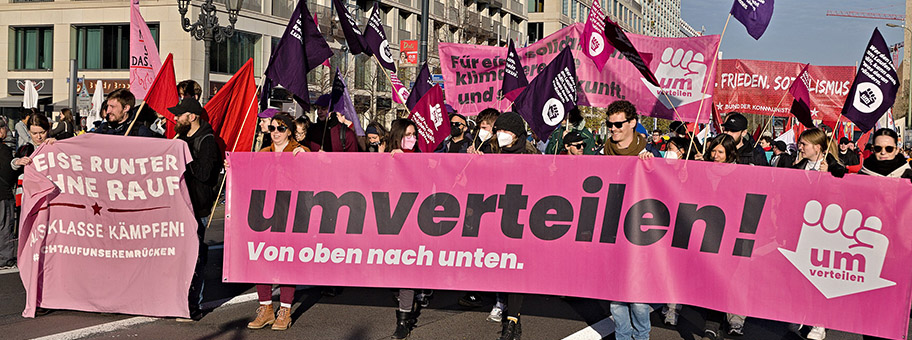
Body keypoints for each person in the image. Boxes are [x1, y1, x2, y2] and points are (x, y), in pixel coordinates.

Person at [247, 113, 307, 331]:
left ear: (289, 131)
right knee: (262, 259)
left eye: (281, 129)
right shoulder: (263, 153)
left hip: (290, 216)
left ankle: (285, 310)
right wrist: (234, 166)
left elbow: (319, 171)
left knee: (285, 262)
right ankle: (265, 308)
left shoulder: (299, 151)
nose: (276, 133)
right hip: (264, 215)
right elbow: (249, 177)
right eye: (272, 128)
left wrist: (308, 156)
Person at [168, 98, 222, 322]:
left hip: (197, 207)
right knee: (178, 256)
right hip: (178, 205)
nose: (175, 118)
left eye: (179, 115)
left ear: (192, 117)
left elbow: (205, 174)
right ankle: (176, 301)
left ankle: (193, 305)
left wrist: (184, 153)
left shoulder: (207, 141)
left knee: (195, 255)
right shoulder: (181, 138)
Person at [0, 119, 17, 269]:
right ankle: (5, 259)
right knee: (5, 227)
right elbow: (9, 173)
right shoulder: (4, 150)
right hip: (3, 194)